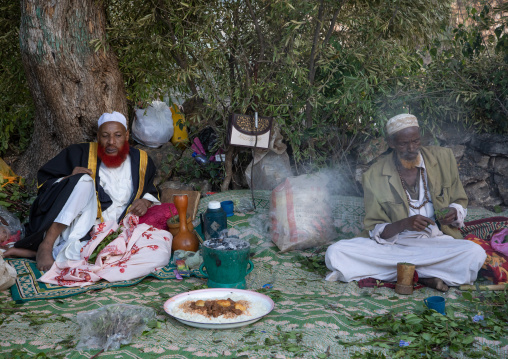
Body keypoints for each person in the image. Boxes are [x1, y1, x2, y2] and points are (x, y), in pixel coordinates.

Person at [325, 114, 487, 292]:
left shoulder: (443, 158)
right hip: (394, 246)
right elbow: (375, 228)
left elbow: (459, 200)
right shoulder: (374, 175)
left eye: (416, 141)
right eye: (403, 144)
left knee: (475, 254)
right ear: (391, 143)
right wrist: (404, 224)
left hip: (434, 242)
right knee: (336, 252)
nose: (411, 148)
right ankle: (426, 276)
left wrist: (454, 212)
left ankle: (407, 273)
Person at [5, 112, 164, 271]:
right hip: (82, 221)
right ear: (97, 136)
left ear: (127, 135)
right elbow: (46, 182)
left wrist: (145, 201)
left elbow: (150, 189)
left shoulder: (141, 160)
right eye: (105, 136)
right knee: (84, 180)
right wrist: (70, 179)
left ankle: (33, 252)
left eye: (118, 135)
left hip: (118, 228)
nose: (111, 142)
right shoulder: (78, 153)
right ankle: (46, 246)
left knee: (158, 250)